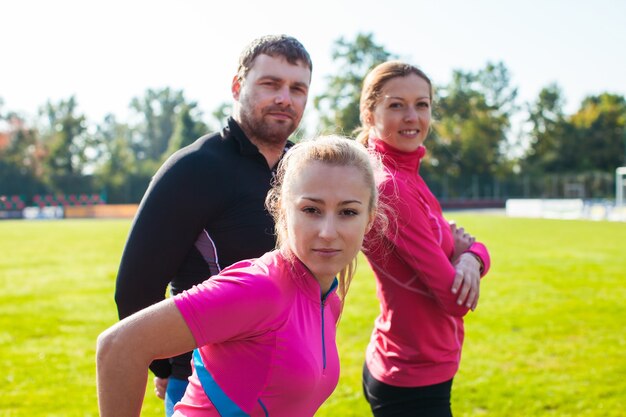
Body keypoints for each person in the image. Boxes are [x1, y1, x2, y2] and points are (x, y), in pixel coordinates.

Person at [97, 135, 381, 417]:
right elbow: (119, 346)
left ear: (368, 219)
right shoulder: (260, 287)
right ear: (282, 211)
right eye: (311, 210)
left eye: (347, 211)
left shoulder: (328, 299)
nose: (328, 232)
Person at [113, 34, 312, 416]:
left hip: (292, 382)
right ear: (238, 86)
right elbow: (135, 289)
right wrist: (168, 364)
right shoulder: (194, 169)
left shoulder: (305, 171)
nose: (285, 98)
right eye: (271, 84)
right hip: (210, 387)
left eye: (297, 88)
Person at [355, 61, 492, 417]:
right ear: (370, 114)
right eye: (396, 105)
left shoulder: (405, 174)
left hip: (407, 359)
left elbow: (461, 240)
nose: (412, 116)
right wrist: (467, 256)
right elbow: (455, 298)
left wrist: (472, 256)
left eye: (422, 104)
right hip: (411, 376)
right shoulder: (392, 186)